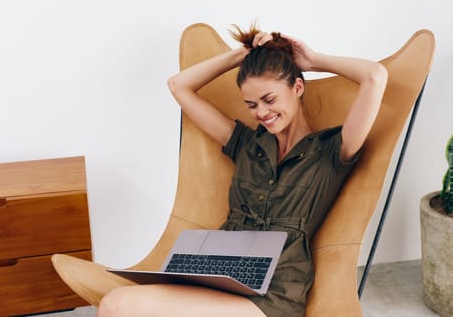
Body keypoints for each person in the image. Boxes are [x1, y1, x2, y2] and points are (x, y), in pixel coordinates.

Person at [97, 24, 387, 317]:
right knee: (116, 301)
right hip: (216, 273)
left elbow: (375, 76)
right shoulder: (246, 144)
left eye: (269, 99)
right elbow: (178, 86)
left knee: (119, 305)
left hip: (271, 294)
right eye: (251, 104)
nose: (262, 112)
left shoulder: (330, 151)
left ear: (297, 88)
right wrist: (241, 56)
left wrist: (313, 61)